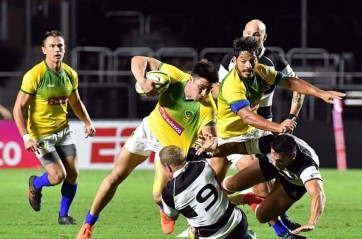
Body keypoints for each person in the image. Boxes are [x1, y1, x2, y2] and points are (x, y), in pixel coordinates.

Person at [210, 36, 343, 237]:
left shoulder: (261, 71)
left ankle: (274, 221)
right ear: (234, 61)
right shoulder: (232, 85)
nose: (248, 65)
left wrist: (320, 93)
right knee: (231, 186)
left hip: (253, 134)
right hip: (233, 137)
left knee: (253, 191)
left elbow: (290, 82)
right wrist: (278, 127)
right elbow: (247, 117)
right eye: (243, 61)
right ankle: (205, 219)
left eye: (251, 60)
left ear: (257, 59)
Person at [76, 56, 219, 239]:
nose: (204, 94)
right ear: (191, 79)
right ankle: (88, 224)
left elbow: (209, 140)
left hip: (170, 151)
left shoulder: (207, 107)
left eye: (208, 90)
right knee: (116, 176)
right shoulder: (175, 76)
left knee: (159, 197)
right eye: (202, 87)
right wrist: (142, 80)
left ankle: (163, 207)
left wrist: (210, 145)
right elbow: (138, 59)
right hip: (147, 131)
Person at [213, 19, 304, 230]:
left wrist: (292, 116)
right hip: (235, 127)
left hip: (263, 126)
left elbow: (296, 86)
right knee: (216, 182)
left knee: (269, 173)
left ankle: (279, 221)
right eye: (249, 33)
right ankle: (197, 217)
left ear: (265, 36)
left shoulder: (275, 62)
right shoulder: (232, 59)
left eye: (257, 34)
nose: (252, 37)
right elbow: (217, 91)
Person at [13, 30, 96, 225]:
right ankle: (35, 183)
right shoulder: (34, 75)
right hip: (41, 135)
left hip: (63, 131)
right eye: (52, 46)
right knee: (58, 176)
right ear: (44, 50)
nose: (56, 49)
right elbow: (18, 107)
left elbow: (76, 102)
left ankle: (63, 215)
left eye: (60, 45)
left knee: (73, 174)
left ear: (64, 48)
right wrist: (26, 137)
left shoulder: (70, 74)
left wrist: (87, 121)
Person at [207, 133, 326, 239]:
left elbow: (318, 194)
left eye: (279, 160)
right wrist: (208, 151)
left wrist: (311, 222)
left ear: (292, 156)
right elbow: (236, 147)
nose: (275, 163)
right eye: (274, 157)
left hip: (292, 182)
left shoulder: (306, 166)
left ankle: (247, 197)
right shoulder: (269, 145)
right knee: (232, 185)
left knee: (262, 216)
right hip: (270, 165)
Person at [160, 145, 256, 239]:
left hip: (213, 236)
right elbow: (195, 151)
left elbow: (172, 217)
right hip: (239, 224)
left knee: (194, 229)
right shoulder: (202, 163)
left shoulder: (169, 193)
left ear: (167, 167)